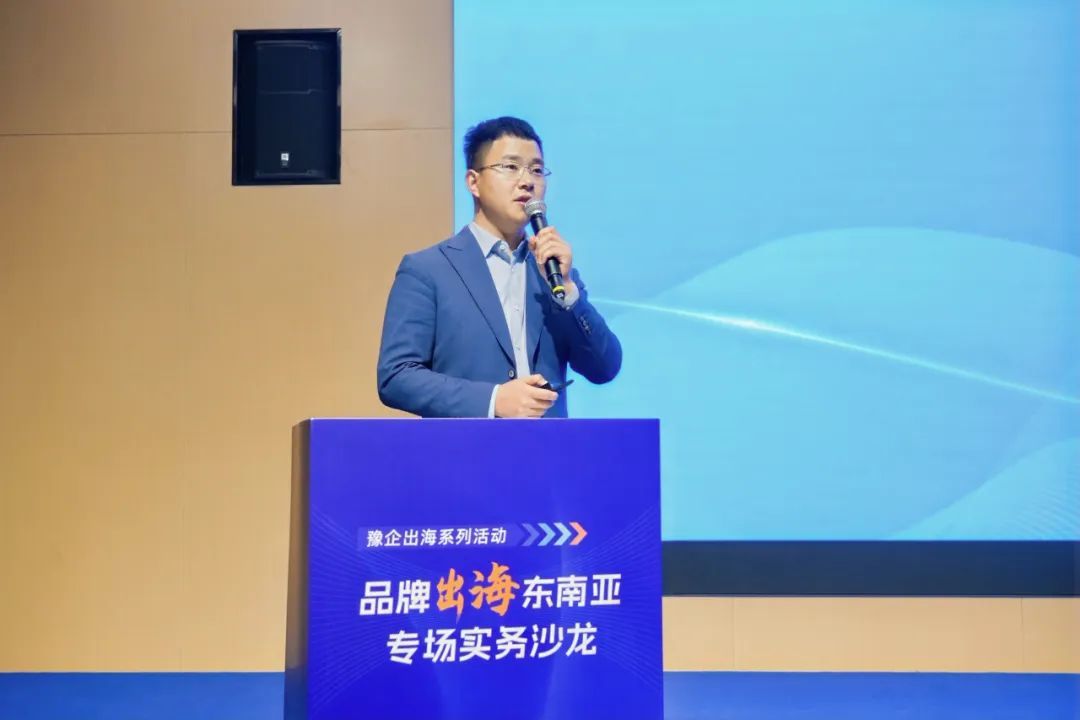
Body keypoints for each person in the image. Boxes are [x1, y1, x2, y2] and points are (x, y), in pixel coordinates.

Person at [377, 116, 621, 418]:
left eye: (536, 170)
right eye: (510, 167)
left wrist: (569, 294)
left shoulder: (554, 273)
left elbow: (604, 367)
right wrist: (493, 400)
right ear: (473, 182)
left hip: (547, 446)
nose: (527, 181)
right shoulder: (427, 270)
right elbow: (396, 376)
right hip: (466, 446)